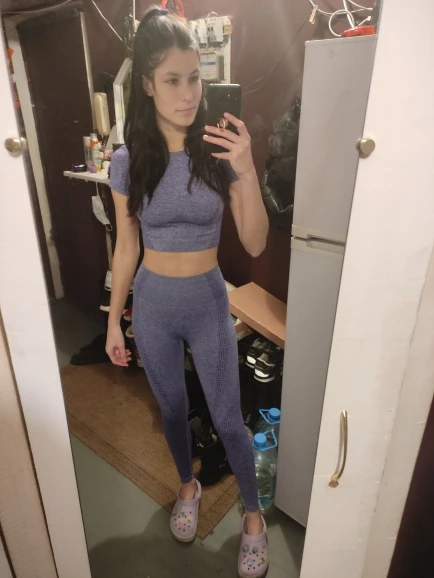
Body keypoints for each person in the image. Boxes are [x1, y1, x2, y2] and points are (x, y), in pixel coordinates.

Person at [107, 7, 269, 577]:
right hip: (152, 304)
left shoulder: (219, 151)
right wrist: (114, 321)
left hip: (205, 300)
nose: (187, 93)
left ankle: (253, 516)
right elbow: (126, 247)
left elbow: (254, 242)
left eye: (194, 77)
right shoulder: (129, 160)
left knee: (227, 418)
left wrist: (247, 169)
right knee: (172, 410)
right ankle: (187, 485)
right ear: (147, 85)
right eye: (172, 79)